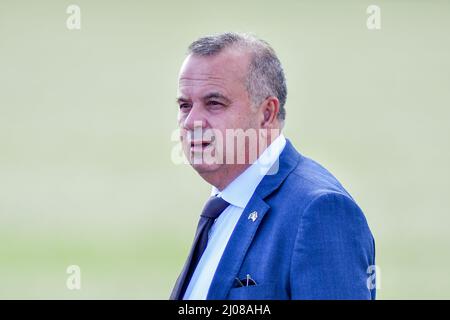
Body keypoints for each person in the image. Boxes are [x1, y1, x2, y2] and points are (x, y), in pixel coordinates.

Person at [170, 32, 376, 300]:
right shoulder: (223, 204)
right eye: (185, 105)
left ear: (266, 113)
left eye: (214, 103)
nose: (191, 121)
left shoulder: (319, 211)